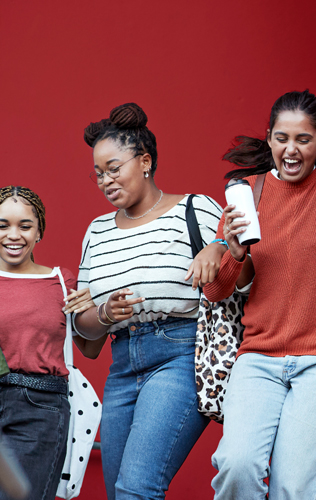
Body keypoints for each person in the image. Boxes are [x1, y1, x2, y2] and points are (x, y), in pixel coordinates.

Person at [203, 90, 316, 499]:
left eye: (303, 139)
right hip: (260, 357)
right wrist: (232, 252)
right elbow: (216, 291)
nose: (291, 149)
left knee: (292, 486)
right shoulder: (247, 193)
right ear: (269, 138)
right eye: (282, 138)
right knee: (237, 465)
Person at [74, 103, 220, 500]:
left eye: (114, 167)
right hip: (121, 366)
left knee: (136, 488)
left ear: (145, 161)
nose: (105, 179)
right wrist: (104, 313)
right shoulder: (97, 231)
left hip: (179, 354)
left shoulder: (195, 209)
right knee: (119, 493)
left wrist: (221, 249)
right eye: (99, 172)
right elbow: (84, 328)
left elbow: (239, 274)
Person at [0, 186, 100, 500]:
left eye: (24, 225)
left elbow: (91, 348)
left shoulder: (61, 280)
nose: (13, 235)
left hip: (39, 409)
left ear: (39, 231)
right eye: (2, 225)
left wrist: (101, 309)